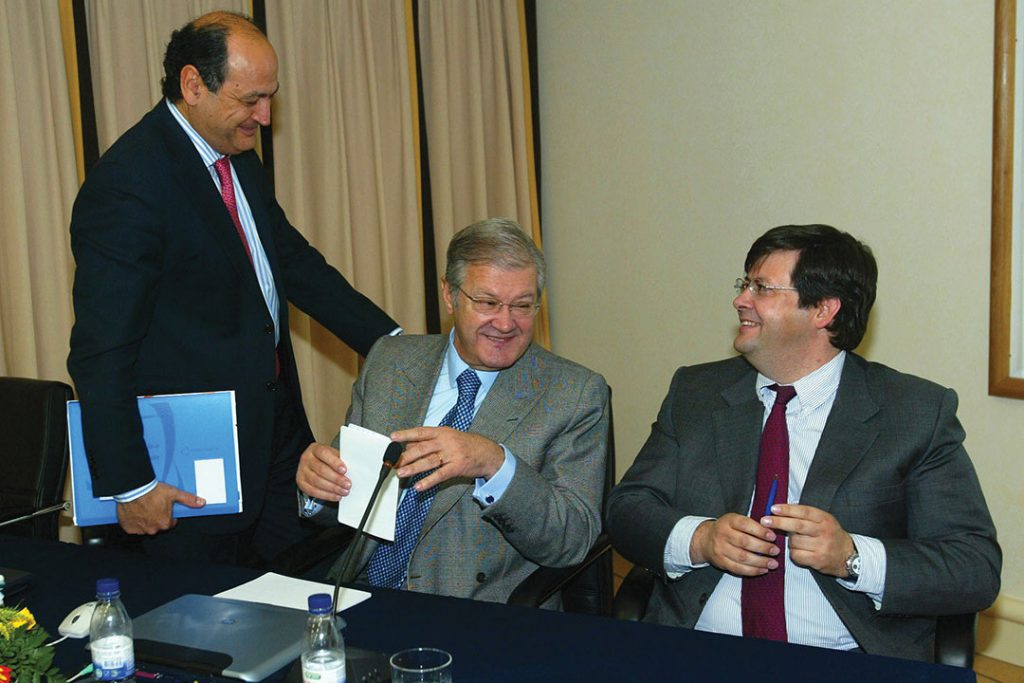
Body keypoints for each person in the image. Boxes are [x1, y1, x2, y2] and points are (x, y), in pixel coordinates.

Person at [67, 11, 399, 565]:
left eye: (271, 98)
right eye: (250, 100)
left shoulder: (235, 157)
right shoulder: (128, 185)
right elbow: (102, 352)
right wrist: (130, 486)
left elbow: (295, 266)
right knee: (207, 620)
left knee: (301, 596)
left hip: (275, 436)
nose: (265, 117)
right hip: (188, 465)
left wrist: (397, 344)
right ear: (193, 84)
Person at [606, 224, 1000, 661]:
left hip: (843, 657)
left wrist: (851, 557)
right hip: (697, 648)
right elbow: (628, 508)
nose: (741, 299)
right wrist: (700, 539)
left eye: (762, 288)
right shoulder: (696, 392)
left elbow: (973, 567)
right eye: (744, 284)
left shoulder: (914, 412)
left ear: (823, 310)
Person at [296, 218, 609, 603]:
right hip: (358, 595)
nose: (506, 323)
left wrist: (495, 463)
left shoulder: (574, 394)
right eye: (488, 303)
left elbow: (571, 541)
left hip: (473, 614)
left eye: (523, 306)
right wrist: (319, 487)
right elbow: (350, 495)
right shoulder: (389, 362)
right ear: (450, 295)